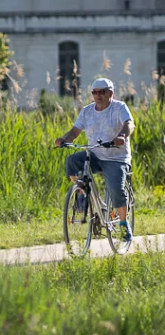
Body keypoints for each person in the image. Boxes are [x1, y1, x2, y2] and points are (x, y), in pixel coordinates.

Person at [55, 77, 135, 244]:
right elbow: (75, 131)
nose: (98, 95)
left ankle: (123, 223)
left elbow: (129, 124)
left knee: (115, 188)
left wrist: (122, 135)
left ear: (110, 93)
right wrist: (64, 139)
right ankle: (82, 194)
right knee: (72, 161)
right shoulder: (87, 111)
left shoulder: (119, 107)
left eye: (102, 92)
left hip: (116, 158)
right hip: (95, 154)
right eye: (94, 92)